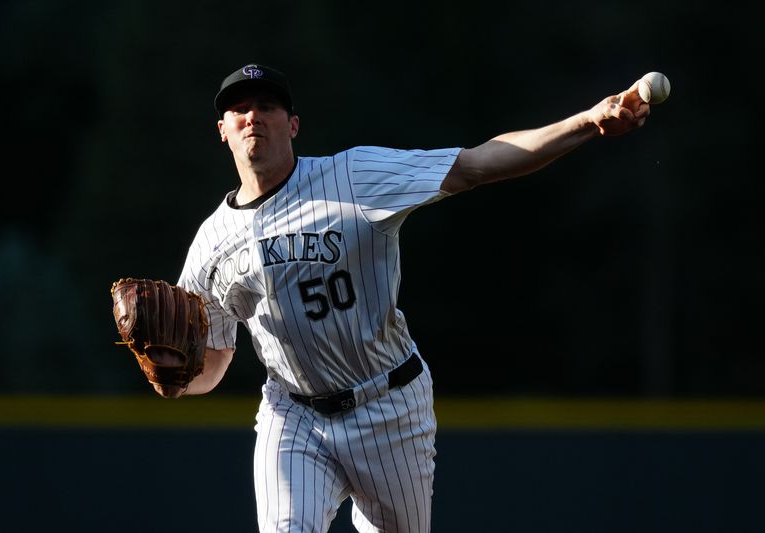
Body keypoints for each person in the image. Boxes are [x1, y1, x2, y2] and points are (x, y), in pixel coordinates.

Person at [156, 63, 651, 532]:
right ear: (222, 129)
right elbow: (213, 362)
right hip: (294, 414)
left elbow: (477, 164)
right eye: (239, 108)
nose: (253, 116)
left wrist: (587, 122)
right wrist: (171, 377)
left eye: (267, 105)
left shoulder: (353, 177)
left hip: (388, 406)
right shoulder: (210, 245)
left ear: (293, 124)